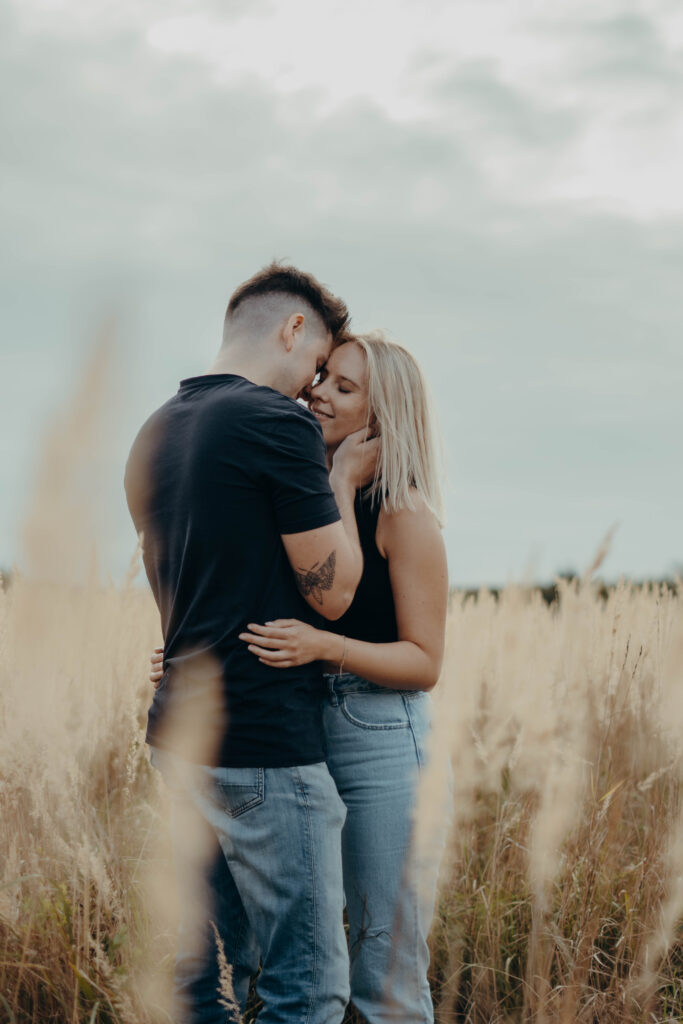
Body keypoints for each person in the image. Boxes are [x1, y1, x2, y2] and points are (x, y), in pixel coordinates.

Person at [151, 330, 450, 1023]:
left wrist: (326, 645)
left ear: (384, 418)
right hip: (298, 725)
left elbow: (424, 661)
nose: (317, 392)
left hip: (378, 731)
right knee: (300, 951)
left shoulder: (404, 514)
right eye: (322, 377)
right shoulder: (291, 493)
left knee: (382, 960)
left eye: (344, 388)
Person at [125, 262, 380, 1024]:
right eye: (315, 363)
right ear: (293, 329)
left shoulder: (156, 429)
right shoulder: (276, 423)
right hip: (263, 743)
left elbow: (171, 582)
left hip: (180, 735)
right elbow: (331, 592)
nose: (311, 387)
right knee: (304, 991)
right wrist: (336, 480)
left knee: (213, 981)